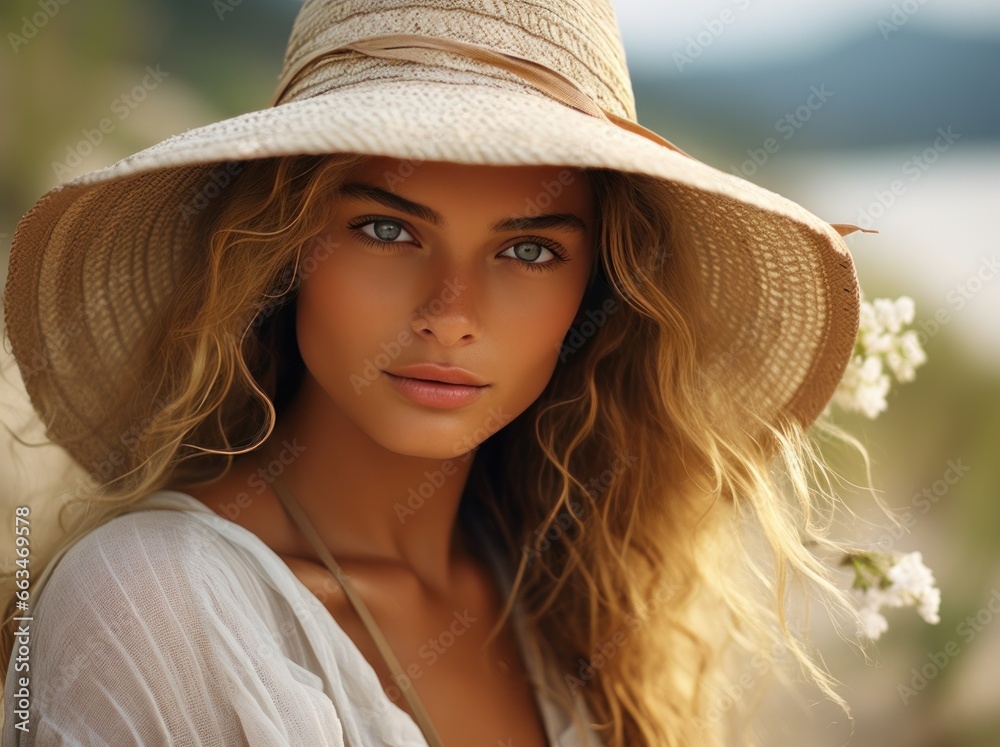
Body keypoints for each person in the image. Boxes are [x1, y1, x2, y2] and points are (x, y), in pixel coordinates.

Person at [0, 1, 875, 745]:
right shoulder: (156, 605)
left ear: (597, 292)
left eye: (529, 248)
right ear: (278, 247)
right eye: (387, 229)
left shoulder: (570, 606)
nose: (452, 312)